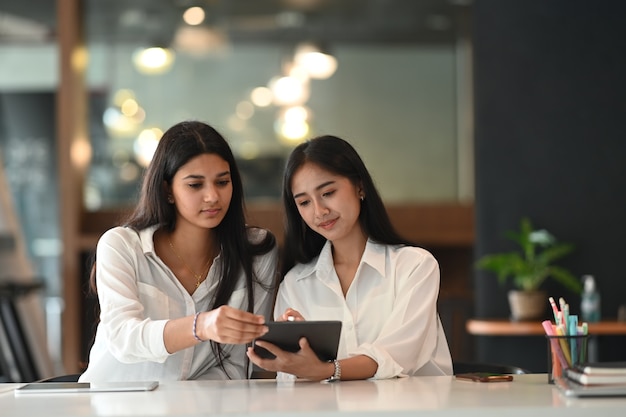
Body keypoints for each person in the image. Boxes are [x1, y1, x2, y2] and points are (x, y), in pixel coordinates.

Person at [79, 121, 279, 382]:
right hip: (114, 402)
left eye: (222, 182)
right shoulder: (122, 245)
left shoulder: (256, 251)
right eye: (195, 185)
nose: (212, 196)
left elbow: (238, 362)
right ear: (167, 190)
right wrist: (201, 326)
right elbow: (123, 337)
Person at [247, 135, 452, 381]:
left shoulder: (414, 265)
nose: (319, 211)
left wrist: (326, 369)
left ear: (360, 186)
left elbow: (396, 357)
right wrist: (300, 355)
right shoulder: (296, 283)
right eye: (304, 202)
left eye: (328, 192)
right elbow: (291, 383)